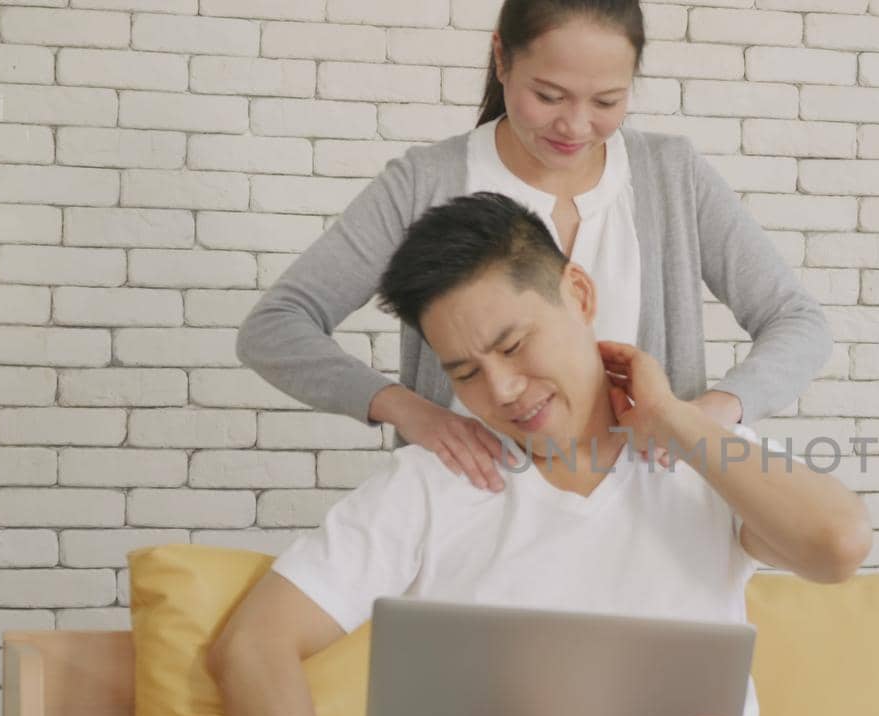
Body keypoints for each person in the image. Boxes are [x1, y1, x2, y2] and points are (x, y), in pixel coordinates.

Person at [208, 192, 879, 716]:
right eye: (465, 373)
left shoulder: (704, 460)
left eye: (514, 346)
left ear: (578, 294)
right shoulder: (429, 484)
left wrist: (672, 417)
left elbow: (839, 545)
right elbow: (253, 646)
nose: (504, 390)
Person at [236, 0, 831, 490]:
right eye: (548, 96)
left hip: (651, 513)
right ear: (501, 57)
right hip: (472, 510)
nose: (574, 126)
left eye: (606, 102)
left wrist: (707, 416)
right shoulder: (427, 182)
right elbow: (276, 327)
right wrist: (411, 411)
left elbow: (797, 322)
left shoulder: (671, 176)